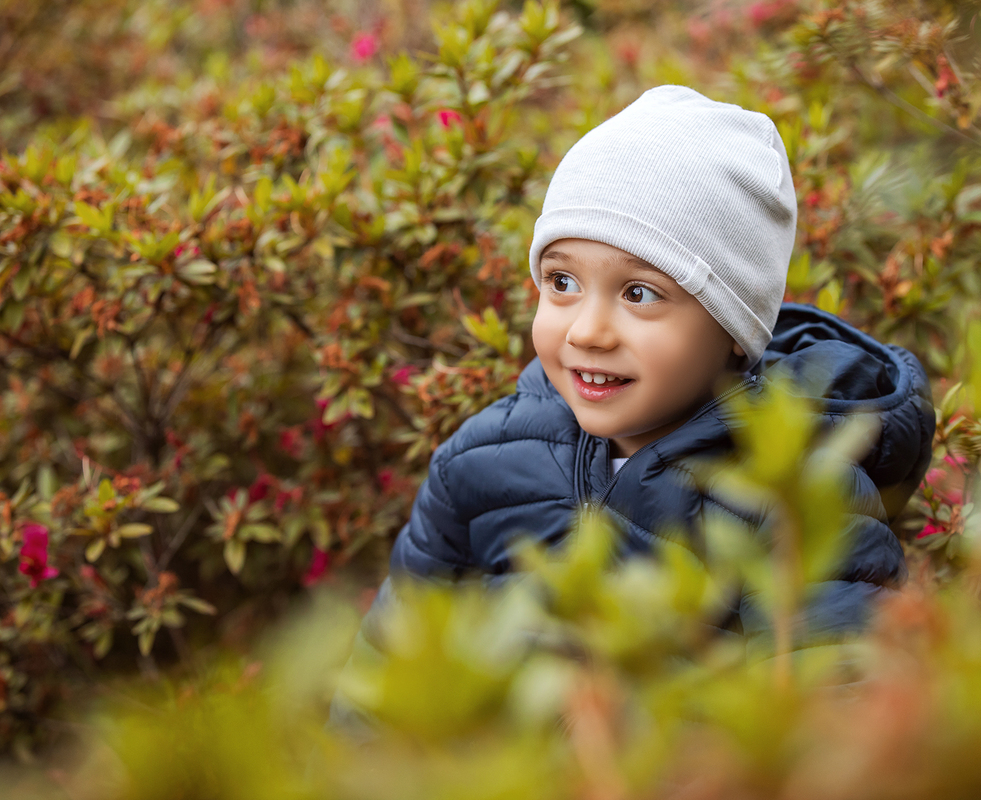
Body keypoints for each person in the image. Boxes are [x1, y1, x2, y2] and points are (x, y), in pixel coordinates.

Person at [329, 86, 933, 734]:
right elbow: (383, 683)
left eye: (640, 292)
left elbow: (831, 722)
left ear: (734, 327)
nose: (587, 330)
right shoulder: (480, 462)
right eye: (562, 282)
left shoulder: (797, 492)